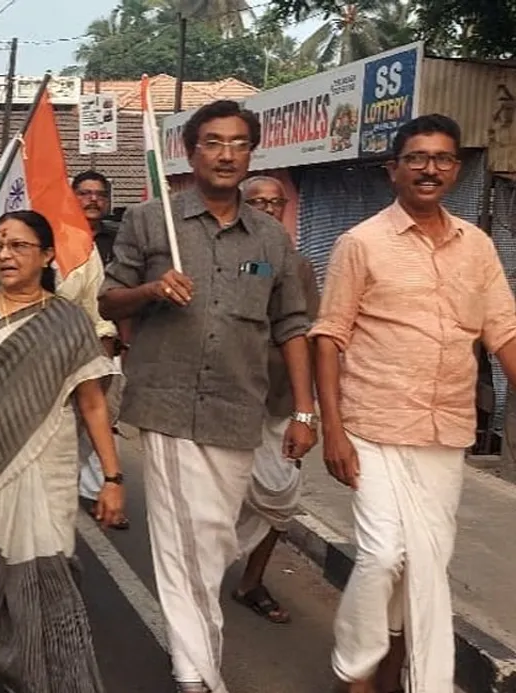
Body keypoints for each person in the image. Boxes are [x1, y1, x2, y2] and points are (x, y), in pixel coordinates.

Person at [98, 100, 316, 693]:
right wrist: (151, 288)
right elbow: (107, 301)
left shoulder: (273, 237)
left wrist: (303, 410)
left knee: (212, 539)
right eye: (213, 142)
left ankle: (196, 654)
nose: (226, 154)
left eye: (238, 143)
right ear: (191, 152)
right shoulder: (149, 221)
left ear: (252, 153)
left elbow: (293, 325)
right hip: (166, 402)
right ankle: (196, 672)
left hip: (239, 408)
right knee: (178, 539)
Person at [314, 114, 516, 693]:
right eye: (417, 158)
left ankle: (400, 671)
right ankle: (354, 672)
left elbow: (502, 332)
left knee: (424, 563)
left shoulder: (477, 246)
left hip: (445, 434)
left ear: (456, 169)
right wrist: (331, 428)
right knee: (382, 556)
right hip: (372, 427)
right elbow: (330, 336)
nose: (431, 168)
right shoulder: (362, 243)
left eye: (444, 159)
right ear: (393, 170)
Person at [0, 210, 124, 691]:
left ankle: (48, 664)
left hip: (47, 462)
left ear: (47, 255)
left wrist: (113, 478)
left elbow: (92, 403)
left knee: (46, 559)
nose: (6, 255)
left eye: (19, 246)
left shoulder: (69, 320)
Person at [231, 175, 319, 626]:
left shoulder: (299, 266)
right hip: (228, 402)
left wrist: (309, 411)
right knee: (220, 501)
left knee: (280, 498)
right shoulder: (224, 258)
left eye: (275, 202)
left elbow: (307, 335)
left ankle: (252, 580)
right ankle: (197, 586)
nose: (267, 209)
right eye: (257, 202)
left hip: (282, 405)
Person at [63, 169, 127, 528]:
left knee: (96, 424)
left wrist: (113, 352)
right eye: (84, 193)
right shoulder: (54, 240)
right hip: (46, 362)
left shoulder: (118, 242)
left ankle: (99, 489)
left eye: (99, 194)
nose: (92, 200)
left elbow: (110, 302)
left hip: (99, 354)